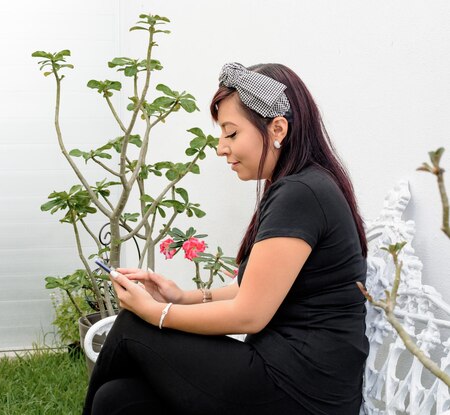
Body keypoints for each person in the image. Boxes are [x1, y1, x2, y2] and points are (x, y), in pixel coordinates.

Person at [82, 62, 369, 415]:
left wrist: (158, 312)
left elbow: (249, 315)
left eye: (231, 134)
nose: (221, 148)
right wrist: (184, 297)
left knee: (132, 326)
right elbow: (254, 288)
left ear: (277, 128)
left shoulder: (302, 192)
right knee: (117, 400)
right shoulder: (301, 185)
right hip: (281, 373)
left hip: (301, 392)